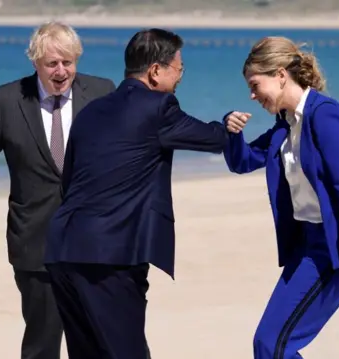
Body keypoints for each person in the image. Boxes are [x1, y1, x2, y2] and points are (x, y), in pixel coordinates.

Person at [43, 28, 229, 359]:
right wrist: (228, 124)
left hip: (62, 249)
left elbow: (68, 181)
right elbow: (213, 138)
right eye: (179, 68)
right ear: (156, 71)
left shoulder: (90, 111)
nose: (180, 76)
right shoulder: (159, 107)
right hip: (109, 256)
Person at [222, 36, 339, 358]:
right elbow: (243, 161)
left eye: (254, 84)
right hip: (308, 245)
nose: (252, 95)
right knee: (268, 344)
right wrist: (231, 133)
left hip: (336, 247)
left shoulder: (326, 116)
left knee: (274, 345)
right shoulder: (285, 125)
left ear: (280, 75)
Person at [0, 21, 116, 359]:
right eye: (53, 64)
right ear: (35, 62)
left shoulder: (103, 92)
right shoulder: (5, 100)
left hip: (95, 241)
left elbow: (126, 152)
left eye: (69, 62)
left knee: (96, 338)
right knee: (42, 342)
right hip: (35, 242)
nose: (62, 71)